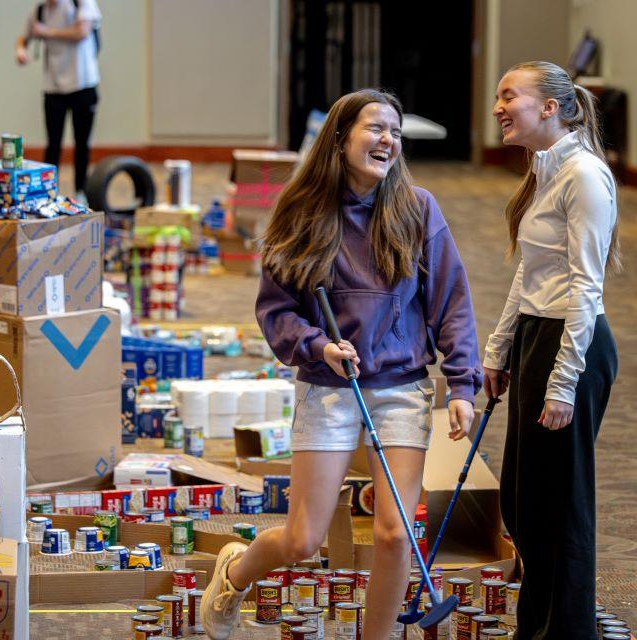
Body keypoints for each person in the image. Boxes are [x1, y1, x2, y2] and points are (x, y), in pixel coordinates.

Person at [199, 89, 482, 640]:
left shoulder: (418, 209)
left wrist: (463, 385)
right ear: (339, 137)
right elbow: (275, 310)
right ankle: (235, 571)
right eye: (376, 128)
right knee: (303, 540)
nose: (387, 140)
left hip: (402, 387)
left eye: (395, 133)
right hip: (329, 385)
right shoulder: (302, 212)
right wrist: (316, 345)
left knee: (396, 535)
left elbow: (454, 303)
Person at [484, 61, 620, 640]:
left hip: (575, 343)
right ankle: (536, 627)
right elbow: (532, 272)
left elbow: (586, 286)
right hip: (539, 337)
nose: (498, 107)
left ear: (549, 107)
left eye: (508, 95)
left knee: (560, 506)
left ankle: (566, 631)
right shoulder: (544, 169)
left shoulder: (584, 174)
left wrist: (563, 383)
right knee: (523, 501)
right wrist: (500, 347)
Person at [15, 0, 101, 201]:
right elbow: (24, 36)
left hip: (83, 83)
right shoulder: (40, 10)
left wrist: (47, 31)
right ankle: (46, 191)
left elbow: (82, 32)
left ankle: (81, 190)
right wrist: (21, 50)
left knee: (82, 143)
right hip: (53, 87)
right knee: (53, 144)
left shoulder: (81, 4)